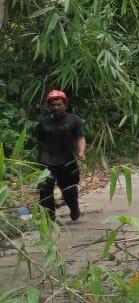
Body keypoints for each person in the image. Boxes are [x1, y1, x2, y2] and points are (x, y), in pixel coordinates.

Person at [33, 89, 86, 222]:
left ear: (65, 105)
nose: (56, 107)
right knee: (45, 192)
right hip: (48, 163)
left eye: (59, 104)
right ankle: (50, 219)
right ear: (49, 106)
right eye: (53, 105)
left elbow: (80, 138)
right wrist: (38, 160)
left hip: (68, 161)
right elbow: (39, 142)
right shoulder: (43, 123)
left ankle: (74, 208)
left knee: (69, 191)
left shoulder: (74, 120)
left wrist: (81, 152)